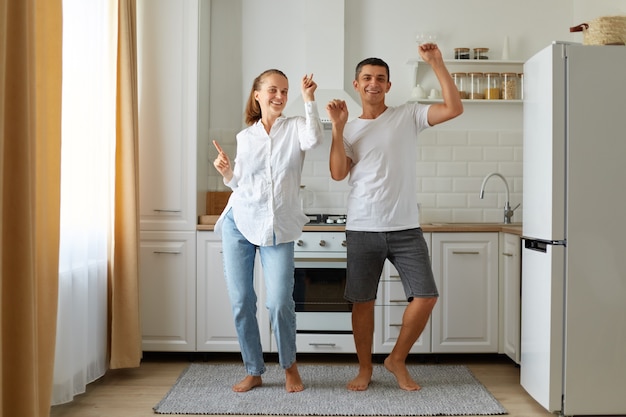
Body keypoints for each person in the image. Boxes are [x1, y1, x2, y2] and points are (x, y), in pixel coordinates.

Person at [325, 43, 463, 392]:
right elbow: (338, 173)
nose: (374, 83)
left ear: (389, 85)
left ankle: (396, 359)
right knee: (362, 301)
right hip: (362, 227)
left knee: (426, 296)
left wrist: (436, 63)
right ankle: (365, 368)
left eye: (381, 78)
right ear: (356, 84)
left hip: (404, 227)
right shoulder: (349, 127)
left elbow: (453, 108)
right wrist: (338, 129)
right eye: (367, 78)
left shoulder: (408, 115)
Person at [212, 69, 324, 393]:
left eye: (285, 91)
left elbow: (315, 139)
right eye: (273, 90)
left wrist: (309, 99)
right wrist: (227, 172)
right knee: (241, 300)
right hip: (239, 221)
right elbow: (239, 185)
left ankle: (290, 366)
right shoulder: (245, 137)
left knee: (278, 302)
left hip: (279, 225)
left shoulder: (297, 128)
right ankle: (254, 369)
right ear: (257, 95)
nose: (279, 96)